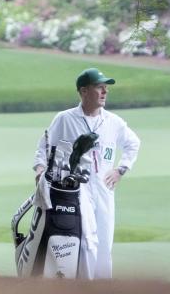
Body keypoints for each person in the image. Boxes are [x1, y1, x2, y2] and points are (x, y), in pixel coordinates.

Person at [32, 68, 141, 279]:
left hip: (104, 188)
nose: (105, 92)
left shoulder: (114, 122)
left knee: (104, 241)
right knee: (86, 241)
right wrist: (40, 170)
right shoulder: (65, 118)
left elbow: (133, 143)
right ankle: (85, 287)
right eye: (99, 87)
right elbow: (43, 147)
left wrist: (121, 169)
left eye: (106, 88)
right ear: (83, 91)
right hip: (76, 189)